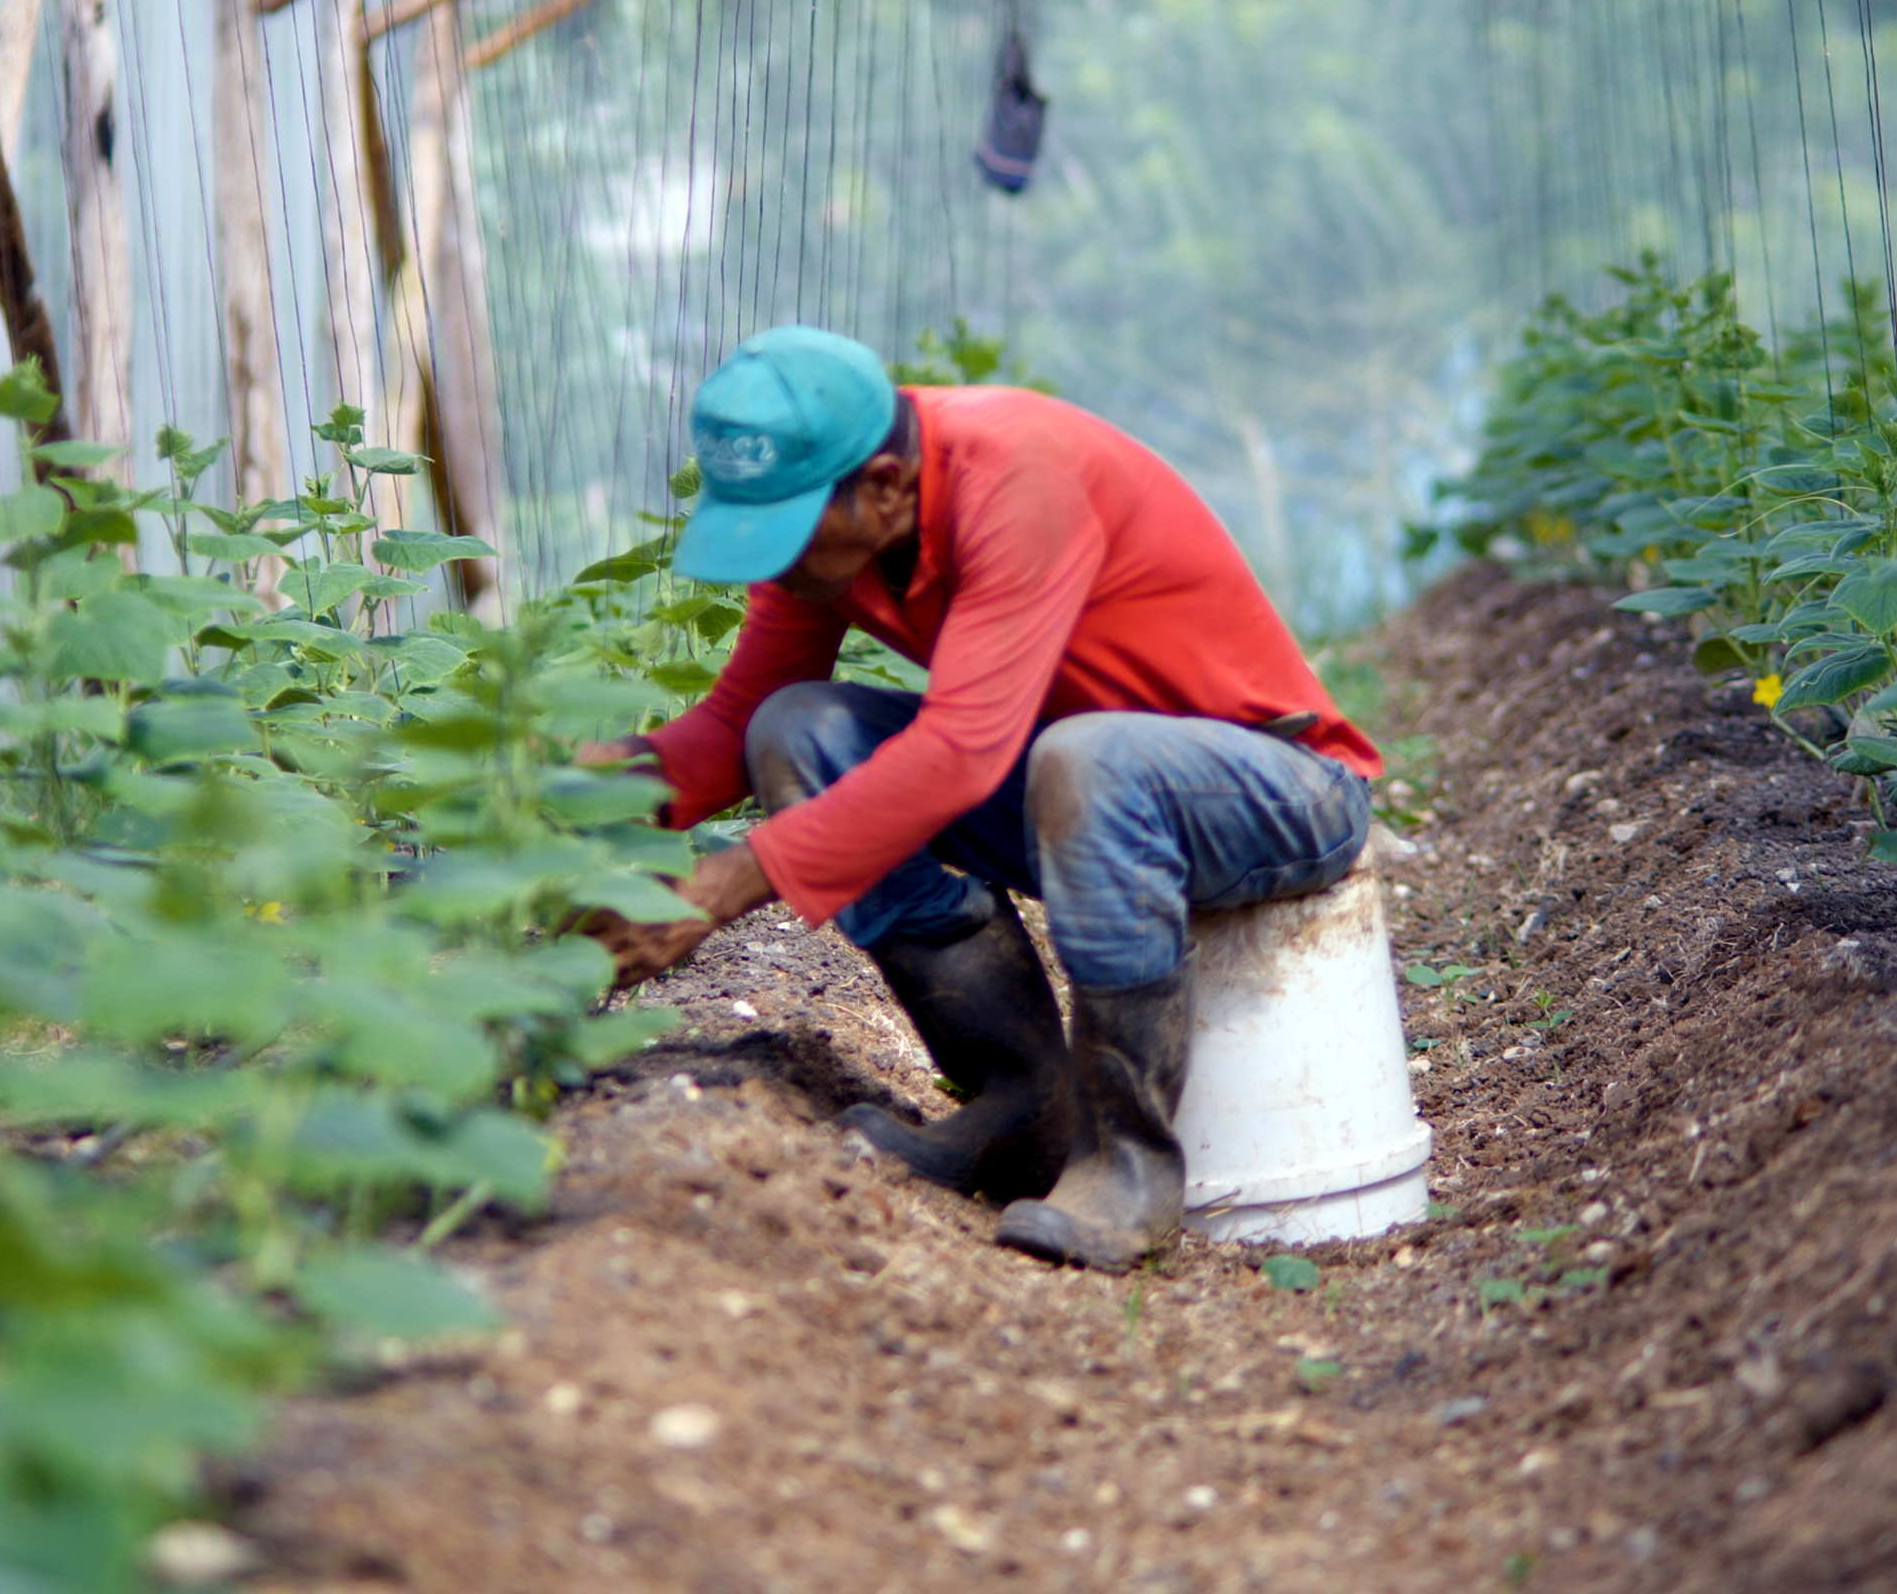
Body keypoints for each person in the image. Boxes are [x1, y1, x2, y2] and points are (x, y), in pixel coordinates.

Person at [579, 326, 1380, 1271]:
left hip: (1277, 787)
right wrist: (569, 790)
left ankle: (1130, 1168)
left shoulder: (1017, 477)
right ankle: (1026, 1104)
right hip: (1082, 796)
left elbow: (961, 751)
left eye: (787, 532)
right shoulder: (837, 534)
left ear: (882, 485)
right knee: (798, 731)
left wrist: (717, 889)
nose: (775, 560)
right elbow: (732, 728)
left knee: (1090, 758)